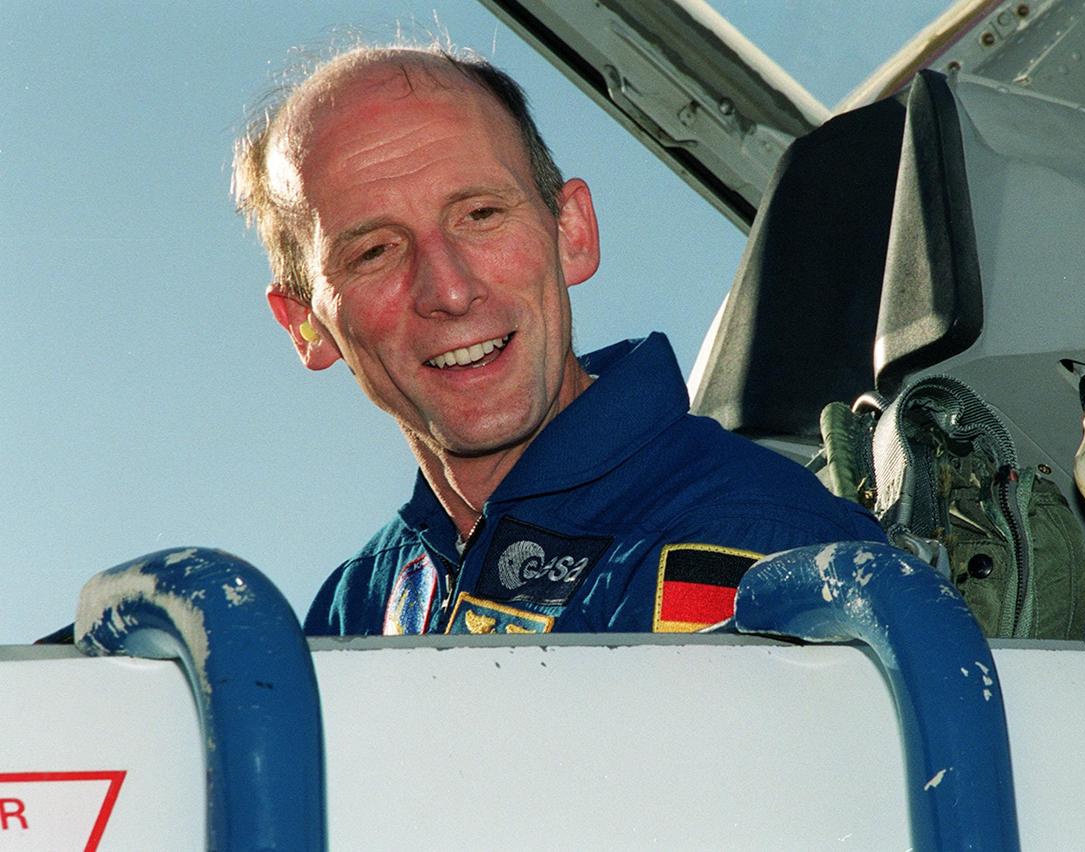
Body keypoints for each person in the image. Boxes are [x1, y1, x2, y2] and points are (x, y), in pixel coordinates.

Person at [234, 44, 885, 636]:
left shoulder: (757, 549)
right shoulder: (360, 606)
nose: (450, 291)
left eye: (481, 215)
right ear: (305, 325)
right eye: (374, 251)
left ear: (571, 231)